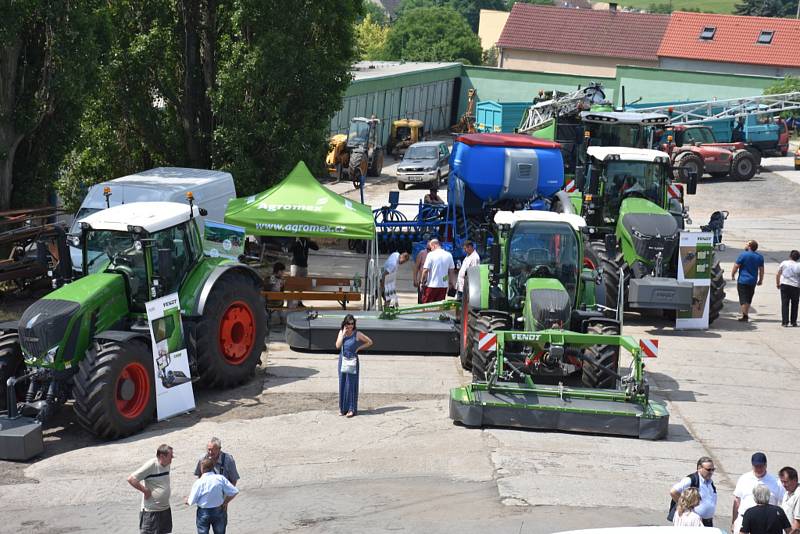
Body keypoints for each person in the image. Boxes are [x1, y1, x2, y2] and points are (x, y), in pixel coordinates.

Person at [733, 452, 786, 534]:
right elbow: (737, 501)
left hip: (766, 524)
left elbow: (784, 501)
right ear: (752, 465)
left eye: (761, 466)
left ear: (766, 465)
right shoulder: (744, 479)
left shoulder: (775, 482)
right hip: (743, 520)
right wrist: (733, 521)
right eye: (756, 466)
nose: (758, 469)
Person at [127, 444, 174, 534]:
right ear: (161, 456)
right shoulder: (151, 465)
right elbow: (131, 479)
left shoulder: (167, 464)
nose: (172, 458)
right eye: (170, 456)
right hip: (151, 512)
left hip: (165, 509)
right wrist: (145, 490)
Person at [187, 458, 239, 534]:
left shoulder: (199, 482)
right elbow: (234, 491)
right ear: (212, 467)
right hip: (218, 510)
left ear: (202, 468)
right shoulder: (220, 478)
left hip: (203, 512)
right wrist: (225, 502)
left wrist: (187, 500)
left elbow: (191, 501)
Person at [335, 314, 373, 418]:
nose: (350, 326)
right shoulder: (341, 332)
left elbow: (370, 342)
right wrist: (343, 335)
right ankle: (343, 409)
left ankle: (351, 409)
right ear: (345, 323)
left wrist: (358, 348)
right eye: (348, 323)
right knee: (342, 383)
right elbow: (337, 346)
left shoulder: (357, 334)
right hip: (342, 360)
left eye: (352, 323)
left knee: (351, 384)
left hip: (352, 361)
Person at [670, 456, 718, 527]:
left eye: (713, 469)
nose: (711, 472)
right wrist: (685, 507)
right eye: (708, 470)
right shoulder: (691, 480)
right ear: (699, 468)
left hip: (707, 522)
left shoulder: (710, 482)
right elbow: (673, 492)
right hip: (694, 522)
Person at [731, 240, 764, 322]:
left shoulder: (743, 255)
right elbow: (761, 270)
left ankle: (745, 315)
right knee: (749, 298)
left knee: (743, 299)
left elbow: (736, 266)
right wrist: (760, 280)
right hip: (752, 281)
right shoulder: (759, 257)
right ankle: (745, 313)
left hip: (743, 280)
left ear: (749, 246)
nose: (745, 245)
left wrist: (732, 274)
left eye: (746, 243)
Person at [421, 239, 455, 303]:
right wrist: (451, 283)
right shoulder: (449, 255)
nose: (430, 249)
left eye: (430, 247)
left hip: (431, 285)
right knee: (439, 306)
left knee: (427, 306)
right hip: (443, 286)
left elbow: (425, 270)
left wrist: (422, 282)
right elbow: (451, 271)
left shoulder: (431, 255)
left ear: (434, 246)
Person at [289, 237, 318, 307]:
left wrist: (311, 241)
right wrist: (295, 242)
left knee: (301, 286)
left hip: (304, 266)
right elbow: (289, 249)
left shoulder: (306, 241)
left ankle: (299, 302)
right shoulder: (295, 240)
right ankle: (290, 303)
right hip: (296, 265)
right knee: (292, 285)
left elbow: (316, 248)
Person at [776, 250, 800, 327]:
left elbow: (778, 274)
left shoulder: (784, 263)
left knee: (785, 303)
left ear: (790, 256)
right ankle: (793, 321)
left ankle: (785, 322)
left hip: (785, 284)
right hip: (795, 286)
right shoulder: (799, 265)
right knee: (795, 304)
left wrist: (777, 283)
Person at [779, 467, 800, 534]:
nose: (783, 485)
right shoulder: (786, 493)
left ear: (794, 480)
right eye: (782, 482)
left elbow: (797, 523)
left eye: (785, 482)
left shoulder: (798, 495)